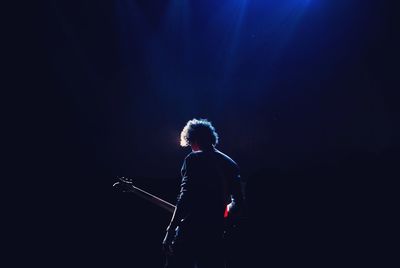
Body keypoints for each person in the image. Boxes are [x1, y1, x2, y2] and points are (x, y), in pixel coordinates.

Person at [162, 118, 245, 268]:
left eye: (190, 143)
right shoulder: (230, 163)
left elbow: (185, 197)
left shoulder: (193, 159)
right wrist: (223, 217)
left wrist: (170, 230)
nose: (191, 148)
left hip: (190, 231)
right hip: (216, 234)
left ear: (194, 139)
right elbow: (239, 202)